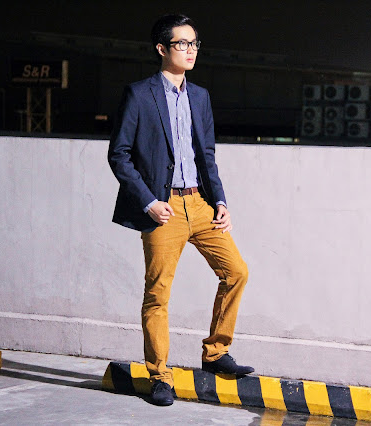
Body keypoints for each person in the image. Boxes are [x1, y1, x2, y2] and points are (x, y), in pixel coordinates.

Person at [107, 14, 253, 406]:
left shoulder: (200, 96)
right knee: (158, 294)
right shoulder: (139, 94)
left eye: (194, 44)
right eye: (182, 43)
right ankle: (160, 377)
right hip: (163, 207)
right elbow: (119, 155)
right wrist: (149, 202)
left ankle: (216, 352)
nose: (190, 50)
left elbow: (207, 155)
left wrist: (220, 201)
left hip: (201, 204)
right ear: (162, 49)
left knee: (236, 272)